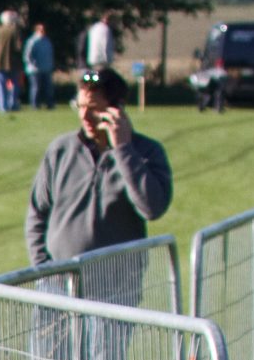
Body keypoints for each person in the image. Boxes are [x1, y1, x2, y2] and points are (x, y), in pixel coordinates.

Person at [25, 65, 171, 266]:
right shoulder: (60, 150)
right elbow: (37, 213)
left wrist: (124, 150)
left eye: (93, 109)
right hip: (58, 283)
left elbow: (152, 208)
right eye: (80, 106)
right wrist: (42, 267)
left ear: (117, 109)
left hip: (117, 288)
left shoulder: (147, 152)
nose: (84, 116)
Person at [0, 10, 24, 114]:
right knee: (14, 85)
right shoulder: (15, 31)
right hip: (13, 62)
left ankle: (2, 107)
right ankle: (12, 104)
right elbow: (18, 47)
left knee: (0, 86)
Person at [25, 21, 56, 110]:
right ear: (36, 30)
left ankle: (50, 104)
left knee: (48, 88)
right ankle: (34, 105)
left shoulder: (47, 41)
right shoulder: (32, 41)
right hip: (35, 69)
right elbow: (27, 56)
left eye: (43, 30)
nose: (42, 31)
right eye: (40, 30)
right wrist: (33, 64)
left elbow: (50, 54)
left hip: (46, 68)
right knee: (36, 88)